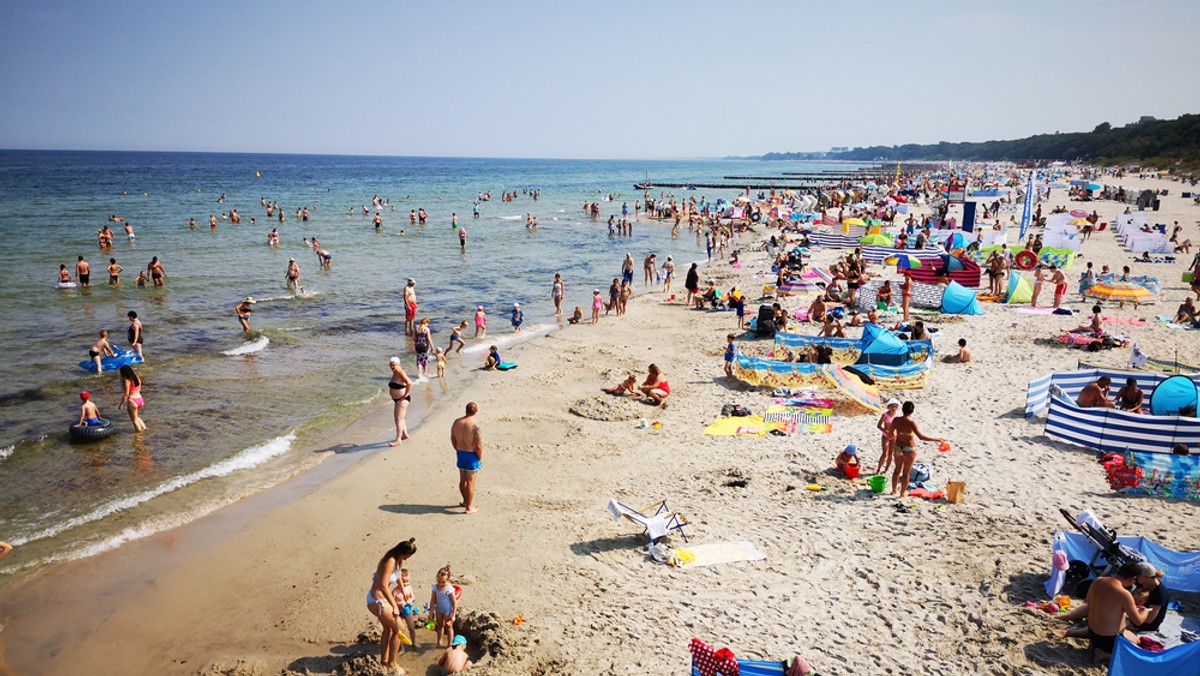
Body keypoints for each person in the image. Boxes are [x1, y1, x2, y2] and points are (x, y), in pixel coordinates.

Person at [1081, 563, 1151, 662]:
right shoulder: (1124, 594)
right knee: (1135, 652)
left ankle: (1094, 645)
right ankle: (1104, 654)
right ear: (1133, 579)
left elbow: (1088, 602)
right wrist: (1145, 611)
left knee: (1135, 639)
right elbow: (1138, 621)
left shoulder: (1098, 580)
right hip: (1108, 639)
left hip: (1092, 632)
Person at [367, 538, 418, 672]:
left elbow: (398, 576)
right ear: (401, 553)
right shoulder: (390, 561)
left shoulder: (398, 561)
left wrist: (402, 589)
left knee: (389, 629)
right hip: (377, 600)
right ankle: (392, 664)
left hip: (381, 599)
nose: (406, 559)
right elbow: (384, 586)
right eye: (407, 556)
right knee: (400, 628)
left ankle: (384, 661)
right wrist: (394, 606)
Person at [888, 401, 947, 498]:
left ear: (902, 410)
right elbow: (921, 437)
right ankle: (902, 494)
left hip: (898, 446)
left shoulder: (896, 420)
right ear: (912, 411)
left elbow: (890, 434)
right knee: (906, 472)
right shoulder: (911, 423)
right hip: (909, 448)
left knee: (897, 470)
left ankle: (894, 490)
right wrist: (936, 439)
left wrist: (899, 436)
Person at [451, 402, 483, 514]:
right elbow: (478, 444)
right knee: (470, 482)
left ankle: (465, 501)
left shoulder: (457, 422)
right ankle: (469, 507)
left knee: (462, 480)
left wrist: (458, 449)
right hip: (471, 455)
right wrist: (479, 456)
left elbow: (453, 439)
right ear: (476, 411)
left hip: (460, 453)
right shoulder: (475, 425)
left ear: (466, 410)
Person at [430, 565, 459, 648]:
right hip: (438, 609)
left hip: (448, 611)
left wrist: (453, 615)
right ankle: (439, 641)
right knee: (439, 626)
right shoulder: (435, 587)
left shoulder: (449, 589)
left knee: (449, 627)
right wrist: (431, 612)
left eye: (443, 582)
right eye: (439, 581)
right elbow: (432, 601)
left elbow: (454, 603)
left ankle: (449, 645)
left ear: (448, 580)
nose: (441, 584)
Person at [387, 357, 412, 447]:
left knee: (398, 418)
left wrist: (406, 394)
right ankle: (404, 434)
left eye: (394, 365)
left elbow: (409, 383)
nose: (392, 367)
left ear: (398, 364)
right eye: (391, 365)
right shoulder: (395, 373)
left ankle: (398, 439)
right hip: (397, 399)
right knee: (400, 417)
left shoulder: (400, 372)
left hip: (402, 399)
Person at [118, 365, 147, 432]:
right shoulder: (137, 378)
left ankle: (139, 435)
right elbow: (139, 388)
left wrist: (121, 404)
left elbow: (126, 394)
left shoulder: (127, 380)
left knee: (134, 420)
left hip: (133, 400)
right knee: (137, 417)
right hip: (140, 399)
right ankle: (145, 429)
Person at [875, 399, 900, 475]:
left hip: (894, 436)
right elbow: (878, 425)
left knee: (891, 454)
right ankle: (878, 469)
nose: (894, 408)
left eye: (895, 407)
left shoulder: (897, 415)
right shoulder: (885, 415)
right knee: (884, 453)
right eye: (892, 407)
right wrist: (886, 431)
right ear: (889, 407)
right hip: (886, 435)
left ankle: (886, 469)